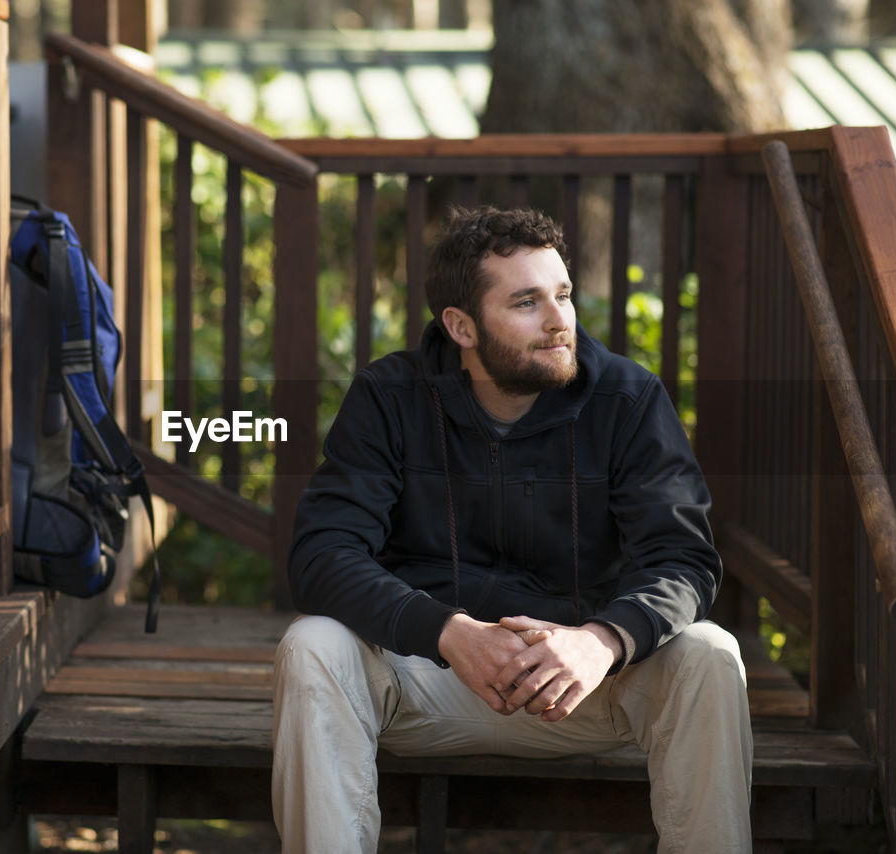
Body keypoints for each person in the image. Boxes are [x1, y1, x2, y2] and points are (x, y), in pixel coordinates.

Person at [271, 207, 752, 853]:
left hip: (584, 688)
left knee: (710, 654)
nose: (559, 320)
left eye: (563, 295)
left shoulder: (628, 400)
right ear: (461, 326)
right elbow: (321, 555)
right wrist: (447, 632)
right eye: (527, 302)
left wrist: (602, 640)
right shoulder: (391, 396)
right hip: (429, 681)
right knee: (315, 645)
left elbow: (683, 559)